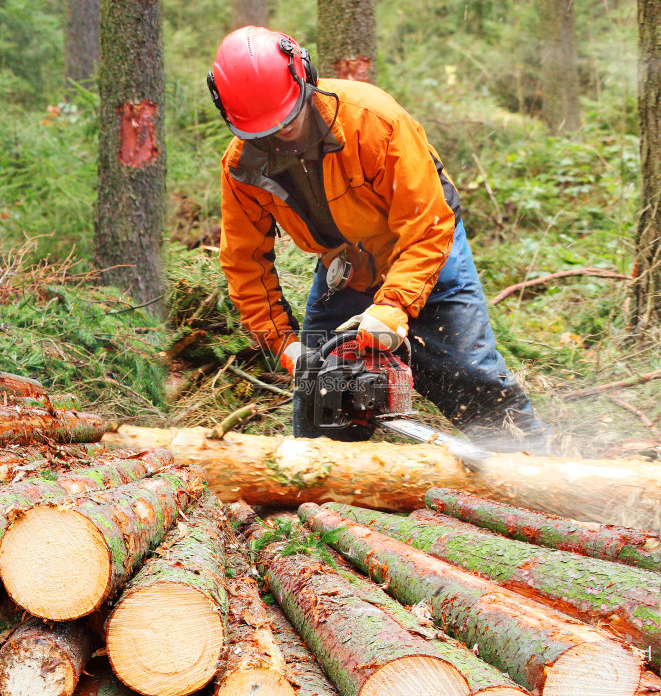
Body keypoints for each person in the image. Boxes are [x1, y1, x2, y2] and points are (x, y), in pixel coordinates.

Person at [208, 25, 551, 453]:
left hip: (425, 247)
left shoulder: (373, 121)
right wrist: (285, 344)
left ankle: (535, 467)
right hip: (346, 267)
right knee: (320, 394)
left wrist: (393, 307)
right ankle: (329, 487)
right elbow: (244, 263)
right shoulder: (241, 167)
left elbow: (428, 223)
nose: (280, 134)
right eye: (264, 130)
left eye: (288, 118)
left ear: (305, 75)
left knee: (470, 375)